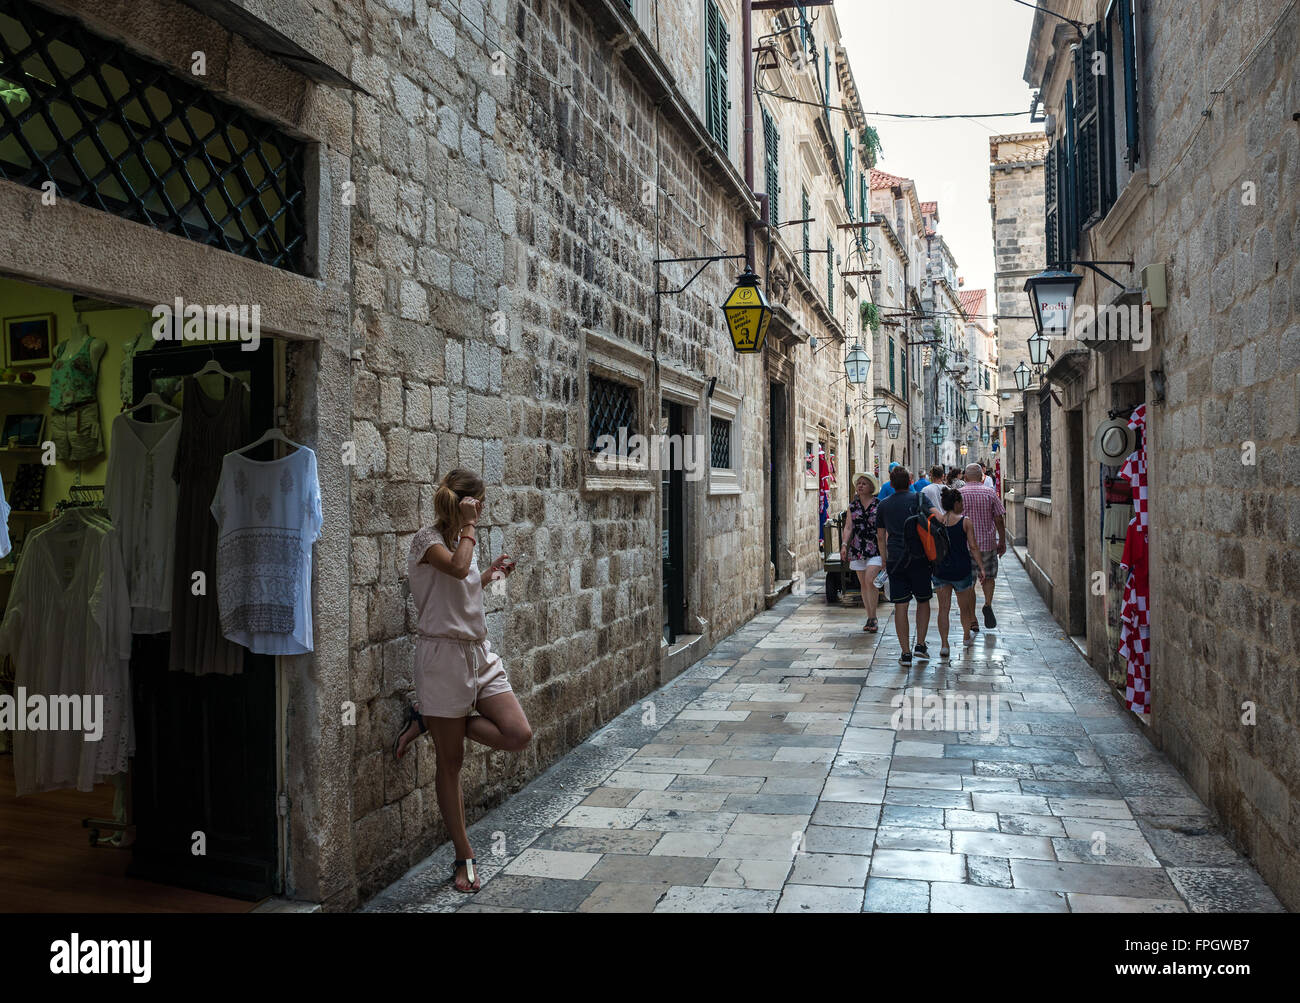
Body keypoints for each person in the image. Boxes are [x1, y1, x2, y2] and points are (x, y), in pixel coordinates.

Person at [392, 468, 533, 893]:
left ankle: (428, 722)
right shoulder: (428, 540)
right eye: (479, 503)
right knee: (450, 763)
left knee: (517, 734)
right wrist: (470, 529)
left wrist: (490, 575)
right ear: (466, 503)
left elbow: (465, 580)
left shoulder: (461, 543)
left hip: (478, 654)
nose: (483, 510)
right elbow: (455, 570)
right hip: (442, 659)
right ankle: (464, 855)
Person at [876, 465, 931, 663]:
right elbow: (936, 518)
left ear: (891, 483)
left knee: (901, 605)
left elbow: (881, 536)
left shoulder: (883, 505)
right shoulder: (920, 499)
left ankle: (905, 652)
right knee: (923, 601)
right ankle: (921, 644)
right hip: (920, 558)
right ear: (910, 482)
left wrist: (884, 559)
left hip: (895, 559)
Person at [930, 487, 987, 657]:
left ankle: (944, 645)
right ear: (955, 503)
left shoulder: (938, 522)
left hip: (940, 570)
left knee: (943, 609)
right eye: (961, 501)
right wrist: (981, 567)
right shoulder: (965, 522)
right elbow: (974, 546)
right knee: (965, 608)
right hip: (961, 570)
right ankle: (965, 636)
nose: (963, 505)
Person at [959, 462, 1007, 629]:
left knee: (969, 583)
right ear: (981, 477)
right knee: (989, 578)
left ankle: (972, 620)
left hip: (965, 546)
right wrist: (1002, 540)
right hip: (987, 544)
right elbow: (999, 518)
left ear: (965, 477)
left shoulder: (959, 494)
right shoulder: (990, 493)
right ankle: (987, 603)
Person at [839, 471, 883, 632]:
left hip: (875, 546)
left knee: (870, 579)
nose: (860, 486)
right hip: (858, 547)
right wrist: (844, 545)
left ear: (871, 487)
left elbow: (883, 527)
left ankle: (874, 617)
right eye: (859, 483)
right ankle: (871, 617)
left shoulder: (879, 504)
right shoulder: (853, 506)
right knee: (863, 584)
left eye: (864, 483)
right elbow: (849, 527)